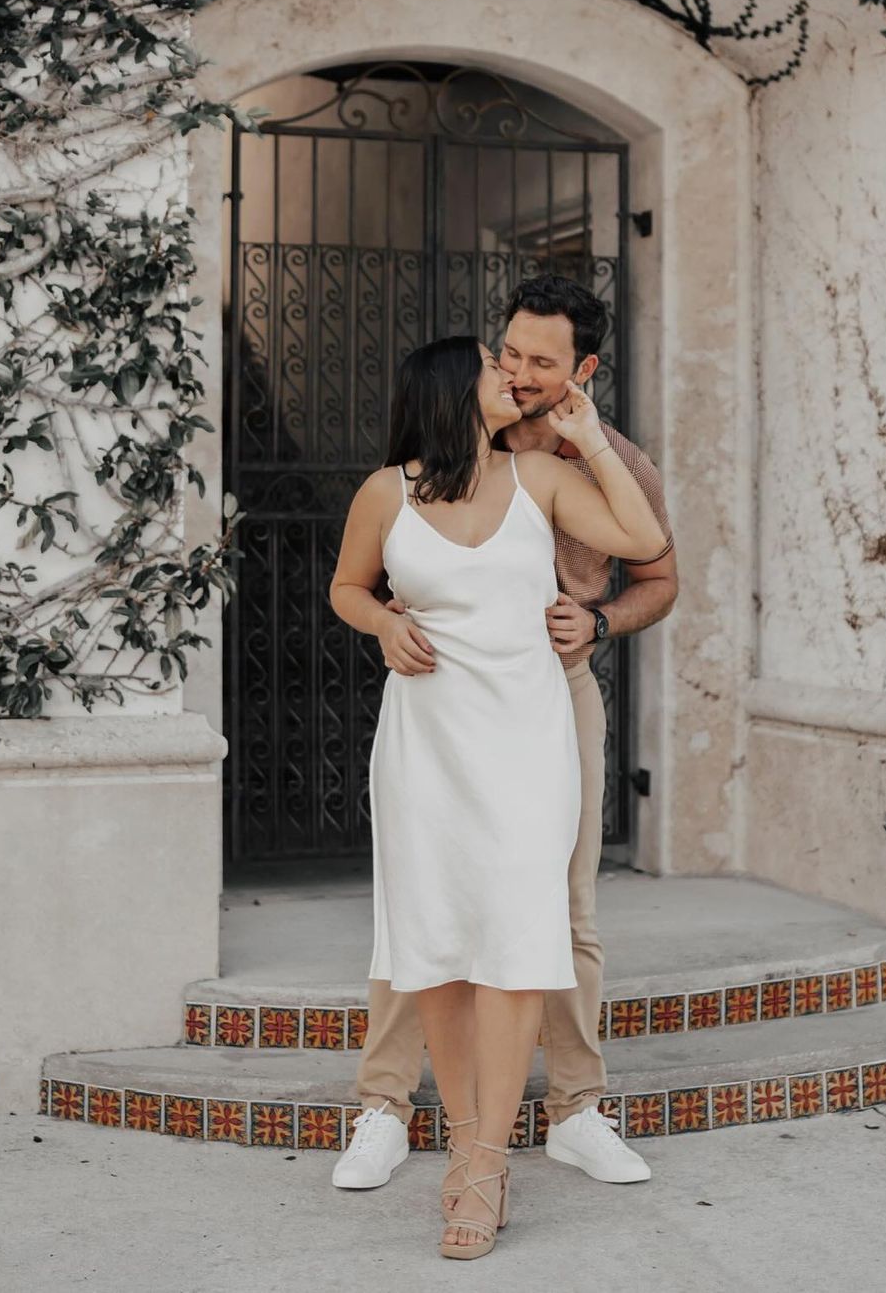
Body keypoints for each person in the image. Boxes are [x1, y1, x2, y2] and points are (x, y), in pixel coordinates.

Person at [336, 275, 677, 1199]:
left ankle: (574, 1110)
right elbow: (357, 580)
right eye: (509, 354)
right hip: (442, 701)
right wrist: (382, 620)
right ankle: (386, 1107)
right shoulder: (418, 470)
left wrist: (600, 626)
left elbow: (660, 573)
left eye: (539, 360)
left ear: (583, 368)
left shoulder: (601, 462)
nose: (520, 372)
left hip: (550, 692)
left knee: (559, 908)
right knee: (425, 904)